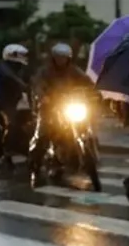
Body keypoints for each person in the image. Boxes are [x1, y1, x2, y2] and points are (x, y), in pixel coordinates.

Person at [28, 42, 92, 176]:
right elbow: (37, 84)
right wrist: (43, 96)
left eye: (63, 57)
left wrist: (95, 91)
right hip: (50, 108)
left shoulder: (73, 70)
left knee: (85, 123)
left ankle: (81, 155)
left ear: (68, 58)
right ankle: (35, 161)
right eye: (58, 57)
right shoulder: (45, 71)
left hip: (68, 105)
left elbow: (87, 81)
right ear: (53, 58)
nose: (61, 60)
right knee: (43, 134)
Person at [0, 44, 30, 170]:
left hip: (14, 100)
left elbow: (30, 80)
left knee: (28, 119)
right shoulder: (4, 67)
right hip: (2, 101)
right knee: (11, 124)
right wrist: (23, 85)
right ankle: (6, 152)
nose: (23, 58)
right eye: (20, 55)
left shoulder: (19, 68)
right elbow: (11, 78)